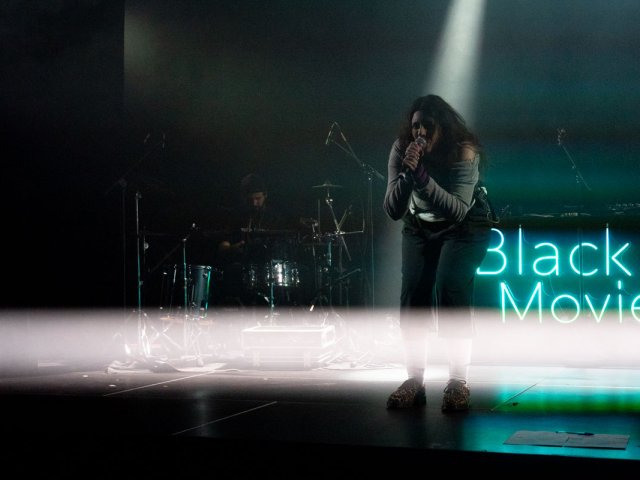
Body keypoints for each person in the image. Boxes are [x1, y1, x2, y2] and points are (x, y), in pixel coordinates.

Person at [382, 94, 492, 412]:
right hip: (419, 226)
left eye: (427, 126)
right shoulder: (401, 148)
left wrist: (422, 178)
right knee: (413, 294)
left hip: (465, 226)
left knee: (449, 288)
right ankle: (414, 381)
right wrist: (407, 175)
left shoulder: (463, 150)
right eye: (416, 126)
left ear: (442, 127)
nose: (420, 132)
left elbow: (456, 210)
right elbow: (392, 209)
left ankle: (458, 382)